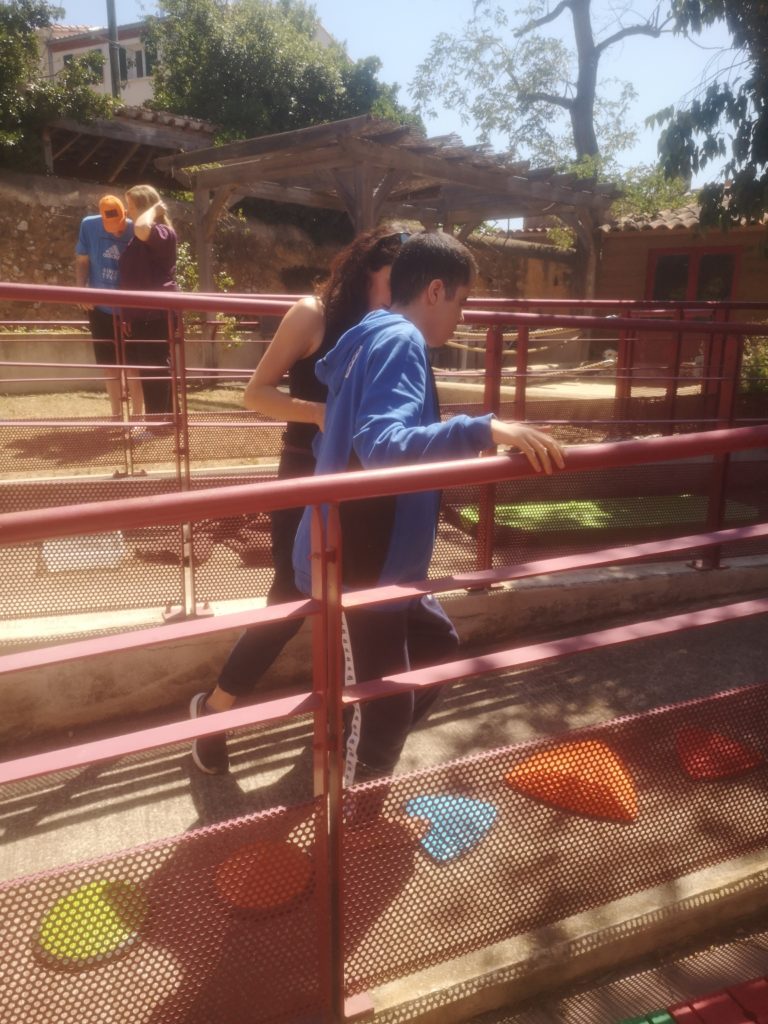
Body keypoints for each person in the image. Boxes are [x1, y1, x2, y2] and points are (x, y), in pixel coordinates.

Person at [291, 231, 566, 787]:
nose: (462, 317)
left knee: (437, 647)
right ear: (435, 291)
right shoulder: (400, 340)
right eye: (462, 301)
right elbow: (381, 443)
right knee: (386, 711)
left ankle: (349, 747)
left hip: (384, 558)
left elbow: (339, 437)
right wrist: (484, 428)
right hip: (357, 560)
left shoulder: (374, 334)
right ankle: (351, 810)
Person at [189, 224, 410, 774]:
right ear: (369, 269)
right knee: (291, 596)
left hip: (361, 478)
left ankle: (342, 717)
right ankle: (213, 711)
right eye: (396, 276)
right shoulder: (313, 314)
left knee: (355, 599)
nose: (403, 288)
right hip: (306, 472)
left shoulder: (395, 325)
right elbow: (255, 393)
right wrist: (318, 413)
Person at [74, 195, 142, 416]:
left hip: (129, 309)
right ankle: (115, 415)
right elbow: (82, 260)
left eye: (120, 226)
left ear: (126, 214)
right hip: (100, 307)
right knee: (109, 365)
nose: (117, 232)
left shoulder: (137, 229)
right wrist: (81, 289)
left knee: (133, 366)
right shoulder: (88, 226)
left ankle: (138, 415)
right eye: (111, 227)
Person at [119, 185, 178, 419]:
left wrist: (154, 210)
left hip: (156, 312)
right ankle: (165, 419)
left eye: (132, 206)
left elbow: (143, 228)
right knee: (151, 368)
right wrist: (127, 314)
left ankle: (158, 422)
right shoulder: (137, 239)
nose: (127, 211)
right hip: (141, 314)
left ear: (145, 207)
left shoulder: (162, 233)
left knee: (155, 368)